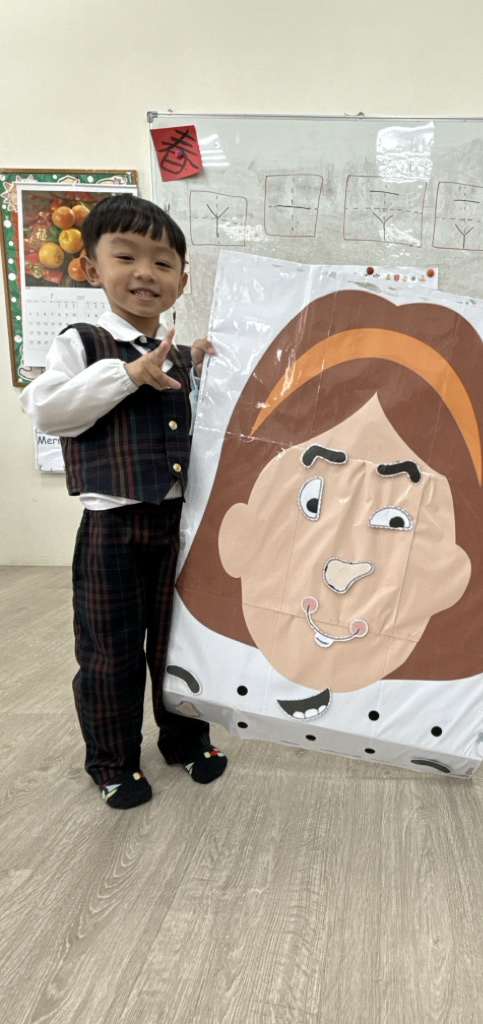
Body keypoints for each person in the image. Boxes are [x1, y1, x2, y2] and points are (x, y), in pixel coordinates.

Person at [176, 289, 483, 694]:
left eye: (395, 520)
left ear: (447, 577)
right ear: (239, 534)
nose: (341, 573)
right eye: (311, 503)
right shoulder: (204, 676)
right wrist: (204, 375)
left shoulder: (434, 710)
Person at [20, 194, 227, 809]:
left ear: (182, 280)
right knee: (110, 651)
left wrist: (202, 372)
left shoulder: (181, 355)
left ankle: (186, 739)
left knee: (180, 643)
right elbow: (48, 409)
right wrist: (128, 374)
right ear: (91, 268)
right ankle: (113, 760)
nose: (145, 273)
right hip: (111, 527)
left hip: (179, 524)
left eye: (162, 264)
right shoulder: (82, 343)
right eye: (126, 257)